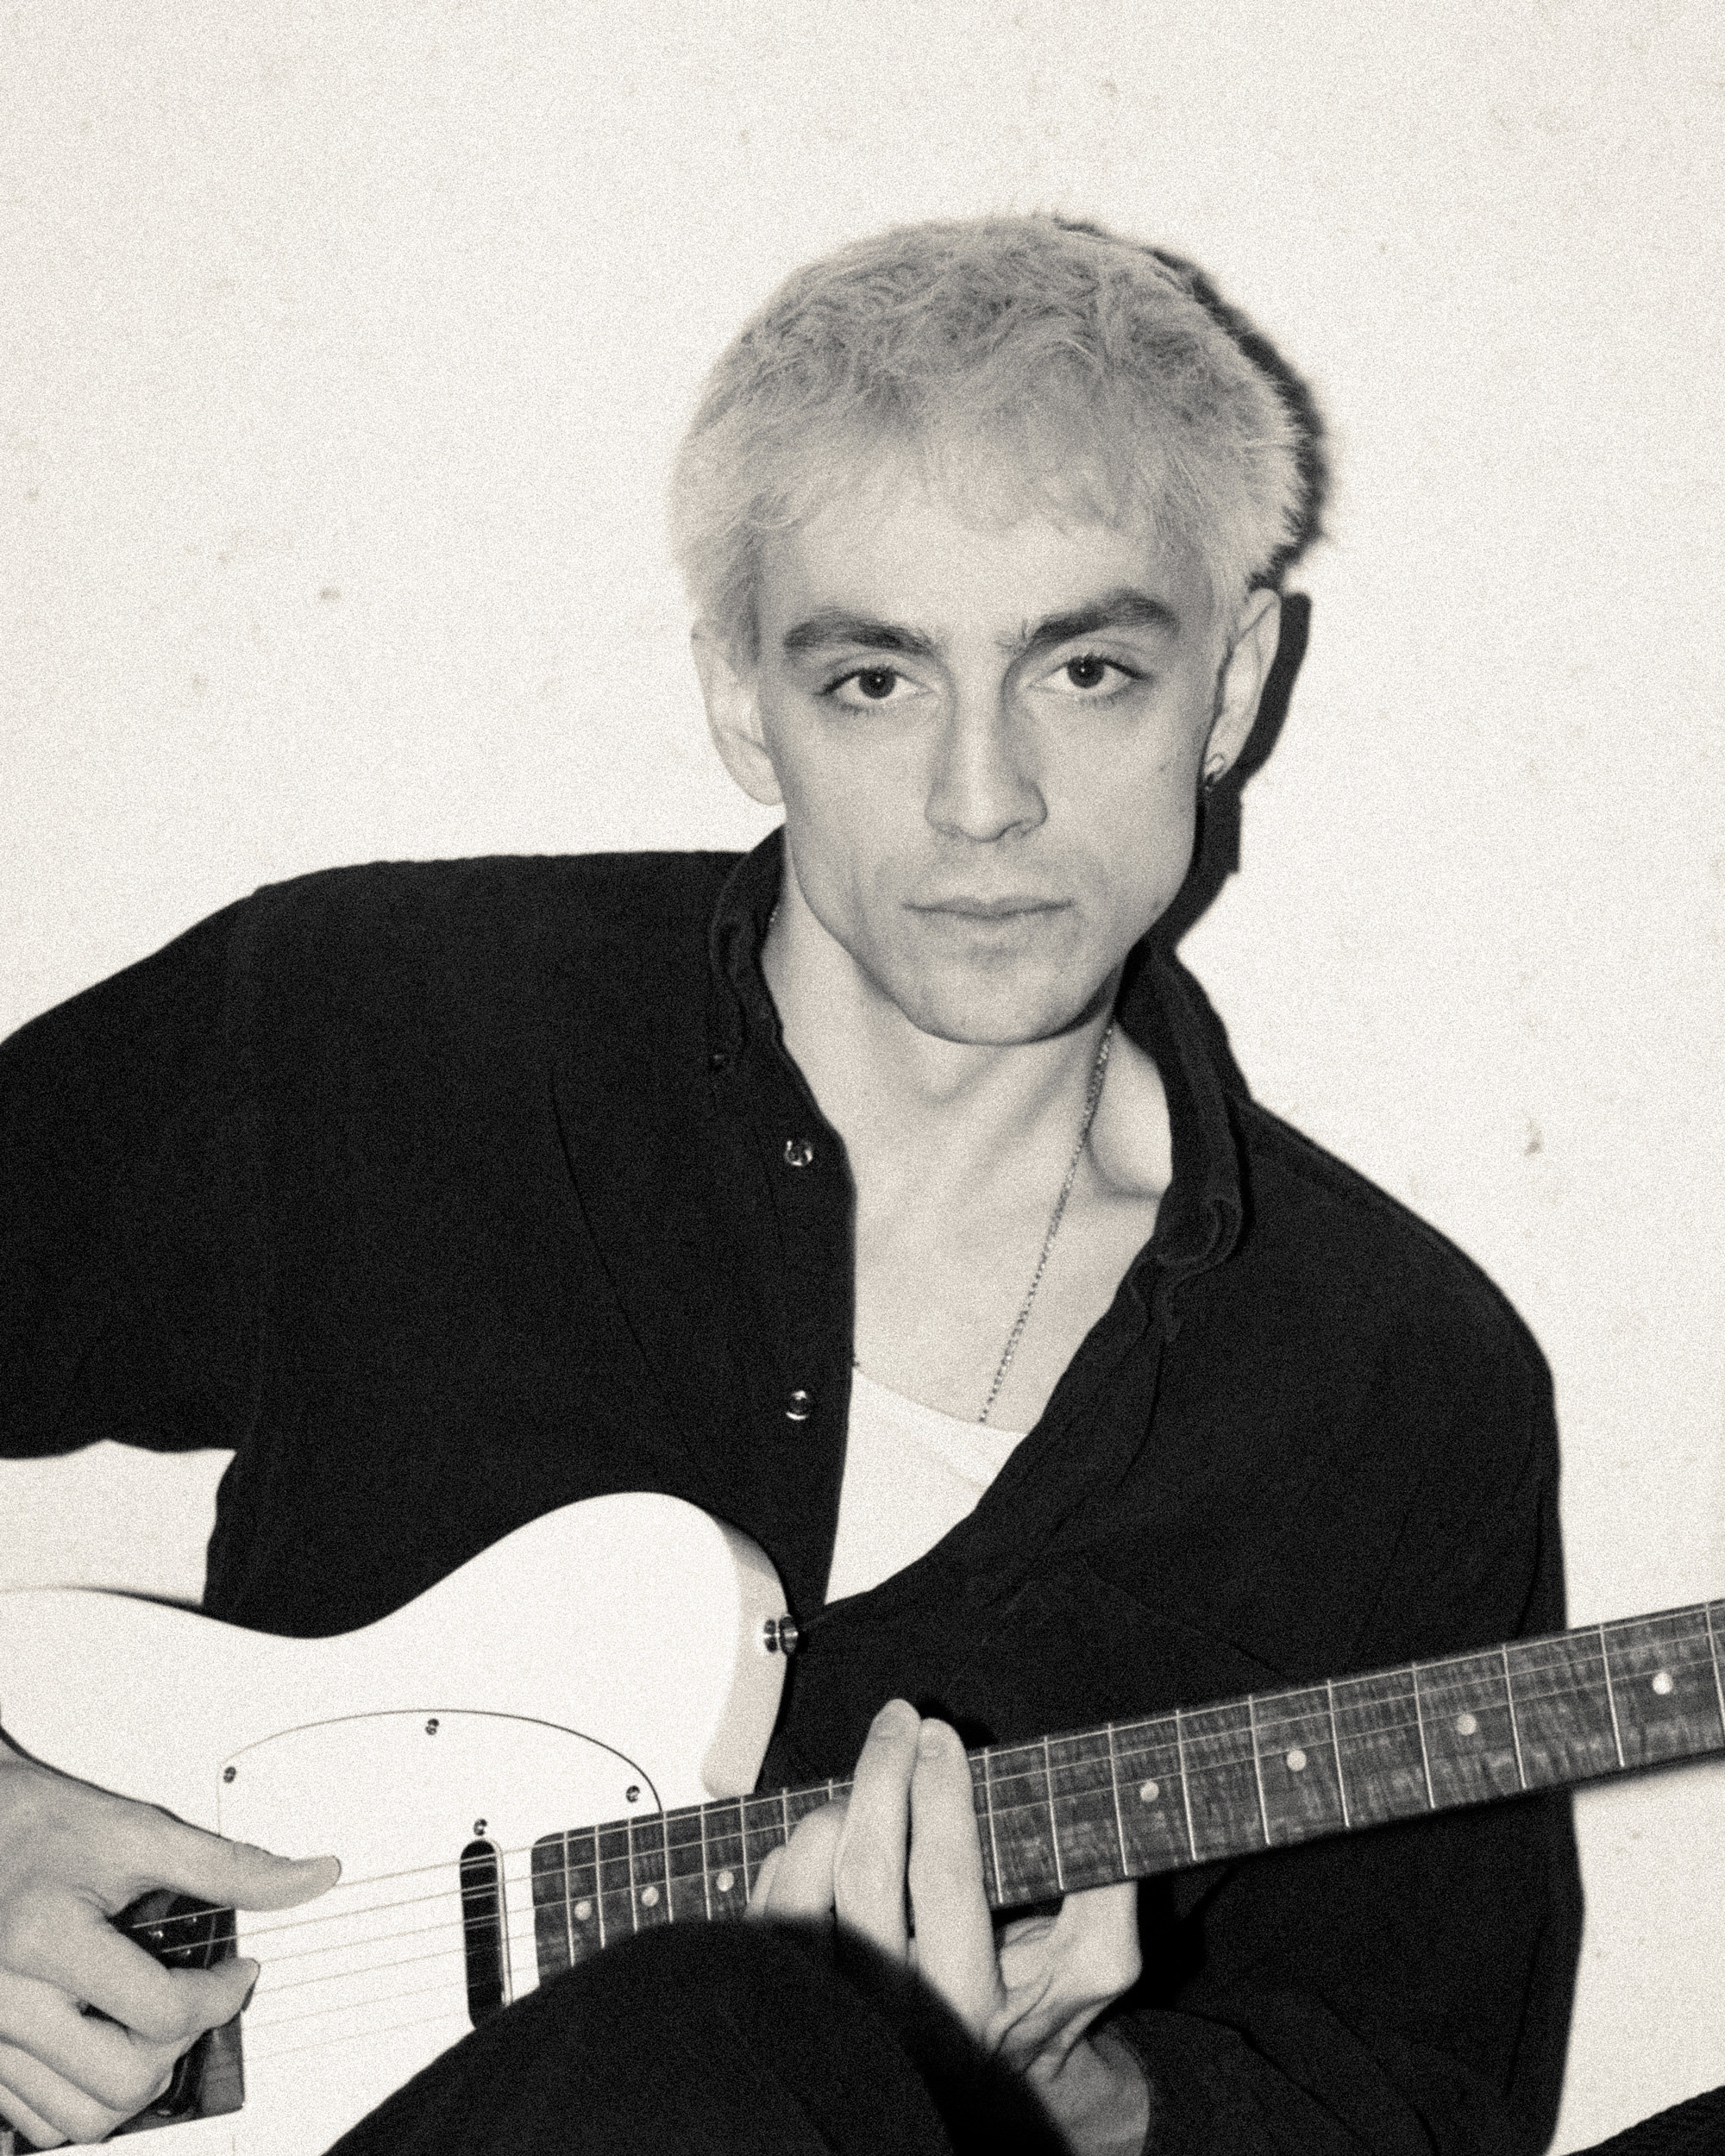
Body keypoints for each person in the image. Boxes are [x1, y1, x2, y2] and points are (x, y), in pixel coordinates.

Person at [0, 216, 1584, 2153]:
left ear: (1234, 682)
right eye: (875, 681)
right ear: (744, 698)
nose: (984, 799)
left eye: (1088, 669)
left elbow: (1410, 2100)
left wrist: (1065, 2098)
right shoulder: (374, 1029)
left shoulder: (1395, 1389)